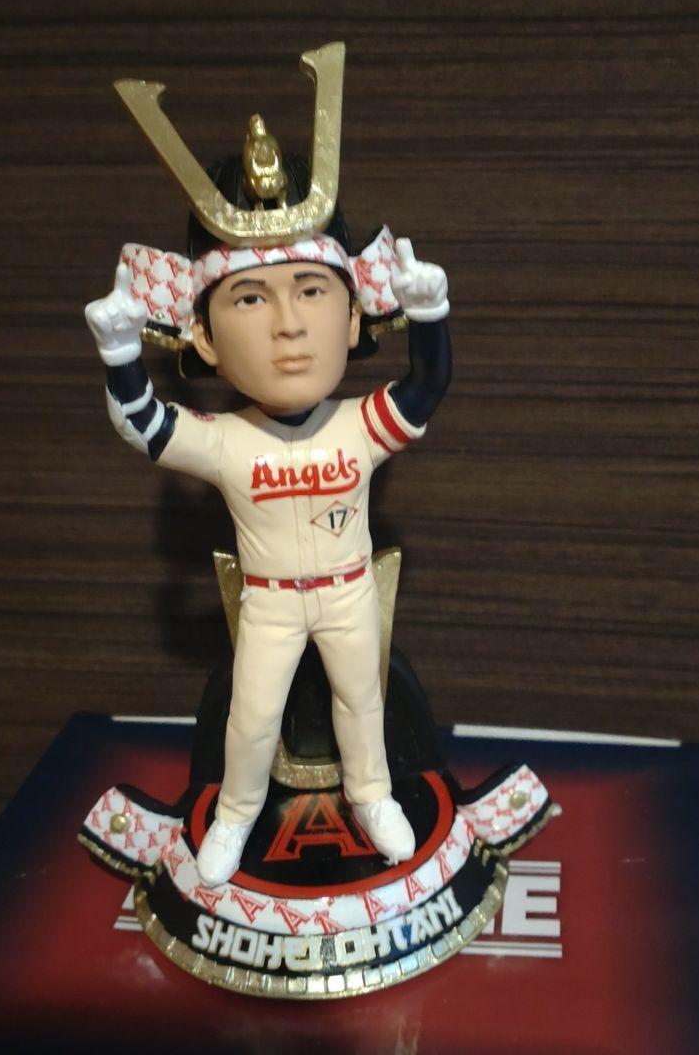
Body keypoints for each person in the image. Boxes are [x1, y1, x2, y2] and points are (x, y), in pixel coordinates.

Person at [84, 171, 451, 887]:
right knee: (251, 719)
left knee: (361, 703)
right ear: (204, 337)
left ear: (353, 319)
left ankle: (372, 797)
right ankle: (235, 816)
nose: (288, 326)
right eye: (251, 298)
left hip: (348, 590)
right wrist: (121, 354)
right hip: (271, 602)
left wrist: (430, 313)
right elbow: (146, 426)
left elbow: (425, 388)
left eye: (311, 291)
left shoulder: (358, 425)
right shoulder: (228, 440)